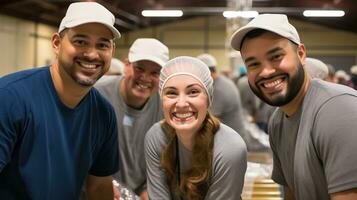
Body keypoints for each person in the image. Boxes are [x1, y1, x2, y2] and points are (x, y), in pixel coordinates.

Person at [0, 2, 120, 199]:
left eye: (102, 44)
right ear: (57, 43)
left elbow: (99, 187)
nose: (91, 54)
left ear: (112, 51)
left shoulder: (103, 113)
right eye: (80, 41)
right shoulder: (10, 97)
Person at [231, 13, 357, 200]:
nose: (266, 72)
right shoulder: (277, 121)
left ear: (301, 54)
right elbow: (291, 194)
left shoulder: (338, 109)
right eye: (254, 64)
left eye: (276, 57)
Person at [145, 56, 247, 200]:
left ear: (208, 98)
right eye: (171, 93)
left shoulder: (230, 148)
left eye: (193, 92)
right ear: (162, 101)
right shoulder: (157, 136)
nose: (181, 104)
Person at [95, 38, 169, 200]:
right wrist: (99, 183)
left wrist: (150, 188)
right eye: (139, 69)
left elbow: (167, 157)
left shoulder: (165, 107)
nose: (145, 78)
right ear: (126, 66)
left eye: (155, 73)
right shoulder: (97, 94)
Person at [197, 53, 247, 139]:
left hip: (232, 139)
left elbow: (208, 119)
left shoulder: (218, 89)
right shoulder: (222, 82)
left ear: (206, 72)